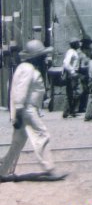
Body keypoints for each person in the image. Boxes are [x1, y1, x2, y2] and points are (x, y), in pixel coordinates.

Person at [0, 39, 65, 181]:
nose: (44, 58)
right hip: (27, 110)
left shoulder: (25, 68)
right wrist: (17, 114)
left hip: (23, 110)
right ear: (35, 57)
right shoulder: (28, 69)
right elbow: (20, 93)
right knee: (42, 135)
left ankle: (2, 171)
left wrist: (16, 114)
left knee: (17, 142)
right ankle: (49, 168)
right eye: (42, 55)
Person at [62, 38, 80, 118]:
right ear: (75, 44)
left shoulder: (73, 52)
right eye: (78, 43)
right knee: (73, 92)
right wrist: (72, 72)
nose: (79, 44)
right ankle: (68, 111)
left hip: (72, 74)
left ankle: (70, 111)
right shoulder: (71, 52)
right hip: (72, 74)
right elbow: (66, 63)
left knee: (72, 92)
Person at [77, 36, 92, 113]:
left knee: (86, 90)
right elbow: (77, 65)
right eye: (88, 43)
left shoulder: (89, 51)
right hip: (81, 72)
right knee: (81, 91)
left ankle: (83, 107)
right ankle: (78, 108)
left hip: (87, 72)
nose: (89, 45)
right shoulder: (79, 53)